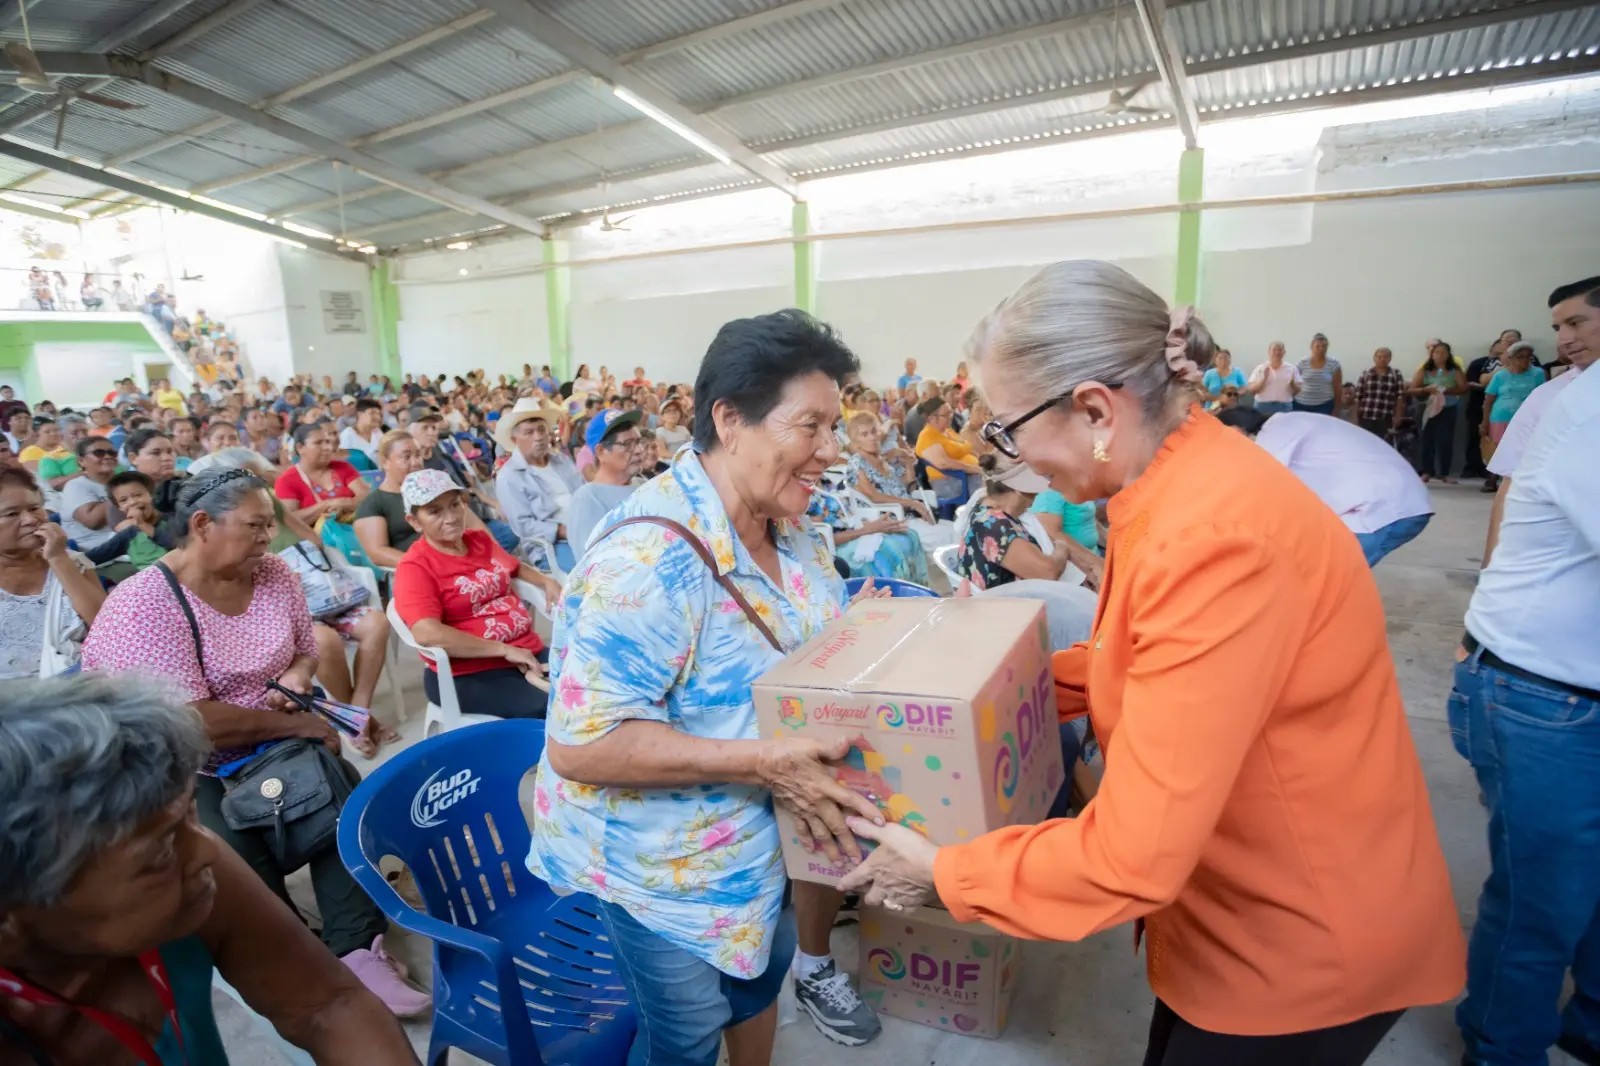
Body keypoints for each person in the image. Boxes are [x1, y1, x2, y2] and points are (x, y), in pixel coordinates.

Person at [839, 260, 1464, 1066]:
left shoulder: (1213, 536)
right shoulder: (1176, 482)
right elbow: (1138, 661)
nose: (1005, 458)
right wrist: (976, 686)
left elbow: (1130, 856)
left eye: (1005, 430)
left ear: (1096, 409)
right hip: (1231, 909)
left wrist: (945, 872)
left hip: (1298, 936)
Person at [527, 309, 891, 1065]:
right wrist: (763, 762)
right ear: (731, 419)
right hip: (667, 875)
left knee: (756, 988)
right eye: (811, 427)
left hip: (770, 842)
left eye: (836, 426)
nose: (830, 450)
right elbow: (581, 745)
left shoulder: (791, 529)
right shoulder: (651, 561)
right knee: (685, 1035)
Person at [79, 469, 428, 1016]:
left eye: (270, 525)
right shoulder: (144, 604)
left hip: (271, 740)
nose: (270, 539)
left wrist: (298, 675)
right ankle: (292, 948)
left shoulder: (273, 575)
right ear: (202, 525)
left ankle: (357, 949)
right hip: (185, 767)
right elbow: (185, 723)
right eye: (256, 526)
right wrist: (298, 725)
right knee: (232, 858)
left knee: (343, 798)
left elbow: (305, 648)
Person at [0, 675, 423, 1064]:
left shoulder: (190, 878)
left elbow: (328, 1005)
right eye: (159, 852)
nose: (206, 850)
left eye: (190, 816)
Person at [1449, 330, 1600, 1066]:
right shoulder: (1589, 408)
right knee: (1544, 901)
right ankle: (1500, 1047)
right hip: (1545, 696)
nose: (1566, 336)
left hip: (1565, 687)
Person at [391, 469, 558, 719]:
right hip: (469, 672)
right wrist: (502, 649)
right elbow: (426, 632)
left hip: (526, 650)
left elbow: (514, 567)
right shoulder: (415, 567)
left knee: (594, 682)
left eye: (454, 505)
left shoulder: (478, 540)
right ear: (415, 521)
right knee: (556, 708)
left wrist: (546, 581)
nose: (451, 518)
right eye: (435, 511)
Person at [1218, 408, 1434, 566]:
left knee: (1330, 578)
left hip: (1385, 508)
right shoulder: (1288, 424)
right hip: (1391, 501)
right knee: (1322, 574)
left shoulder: (1275, 434)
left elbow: (1258, 488)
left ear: (1235, 430)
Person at [1483, 278, 1598, 566]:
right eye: (1558, 328)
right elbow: (1510, 488)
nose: (1564, 339)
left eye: (1576, 323)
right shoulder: (1548, 398)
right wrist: (1491, 571)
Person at [0, 468, 104, 678]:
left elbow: (106, 626)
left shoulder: (73, 562)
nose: (30, 520)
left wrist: (58, 560)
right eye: (12, 514)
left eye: (35, 508)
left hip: (77, 691)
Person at [957, 453, 1071, 588]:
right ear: (1018, 490)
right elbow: (1048, 573)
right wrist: (1062, 549)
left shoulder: (984, 505)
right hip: (1003, 606)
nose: (1035, 497)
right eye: (1033, 493)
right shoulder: (994, 526)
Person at [495, 399, 582, 571]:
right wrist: (563, 530)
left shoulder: (561, 460)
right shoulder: (509, 476)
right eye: (529, 432)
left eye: (542, 430)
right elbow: (524, 526)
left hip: (584, 527)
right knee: (586, 577)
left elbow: (583, 491)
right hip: (553, 544)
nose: (539, 437)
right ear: (515, 439)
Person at [564, 408, 645, 553]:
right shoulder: (588, 499)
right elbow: (590, 564)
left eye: (638, 442)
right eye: (627, 444)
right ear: (601, 452)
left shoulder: (642, 483)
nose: (638, 450)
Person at [354, 430, 428, 568]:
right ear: (384, 462)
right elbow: (377, 552)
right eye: (406, 457)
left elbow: (471, 525)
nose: (416, 462)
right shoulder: (374, 504)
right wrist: (426, 566)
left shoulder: (434, 492)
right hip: (417, 571)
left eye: (418, 455)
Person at [81, 470, 179, 571]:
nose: (132, 502)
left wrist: (142, 524)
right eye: (123, 500)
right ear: (119, 507)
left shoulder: (173, 518)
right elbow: (93, 557)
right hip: (149, 582)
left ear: (152, 495)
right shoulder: (129, 534)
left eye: (138, 495)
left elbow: (177, 544)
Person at [1479, 340, 1543, 493]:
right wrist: (1484, 423)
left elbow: (1542, 396)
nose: (1525, 360)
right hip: (1501, 416)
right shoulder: (1500, 376)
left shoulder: (1538, 374)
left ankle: (1518, 482)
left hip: (1527, 419)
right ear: (1512, 358)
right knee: (1497, 448)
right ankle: (1492, 479)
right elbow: (1488, 401)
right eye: (1521, 357)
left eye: (1529, 357)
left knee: (1524, 449)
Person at [274, 422, 367, 525]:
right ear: (300, 447)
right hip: (312, 539)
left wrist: (342, 503)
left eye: (327, 442)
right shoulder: (287, 480)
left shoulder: (343, 467)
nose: (327, 447)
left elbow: (366, 498)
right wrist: (326, 505)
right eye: (318, 443)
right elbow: (290, 520)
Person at [1409, 341, 1468, 483]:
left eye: (1443, 352)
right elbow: (1412, 389)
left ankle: (1444, 473)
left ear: (1449, 355)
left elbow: (1464, 388)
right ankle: (1427, 471)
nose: (1440, 355)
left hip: (1448, 407)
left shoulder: (1455, 370)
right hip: (1428, 408)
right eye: (1437, 352)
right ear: (1432, 355)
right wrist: (1426, 389)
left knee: (1445, 440)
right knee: (1426, 440)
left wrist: (1447, 390)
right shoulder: (1425, 370)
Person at [59, 435, 122, 551]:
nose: (107, 456)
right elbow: (93, 522)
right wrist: (122, 491)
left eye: (112, 453)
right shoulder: (75, 486)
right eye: (99, 453)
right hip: (99, 554)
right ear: (81, 461)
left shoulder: (126, 480)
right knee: (156, 567)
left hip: (133, 545)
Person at [914, 396, 981, 502]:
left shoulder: (947, 430)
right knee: (988, 482)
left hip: (966, 475)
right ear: (931, 418)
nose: (951, 416)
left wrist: (979, 460)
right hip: (949, 481)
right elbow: (944, 463)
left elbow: (964, 448)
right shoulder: (927, 436)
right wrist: (973, 468)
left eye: (950, 412)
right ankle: (981, 513)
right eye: (946, 415)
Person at [1353, 346, 1406, 439]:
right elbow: (1358, 397)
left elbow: (1400, 397)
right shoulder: (1366, 373)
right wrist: (1355, 417)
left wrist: (1398, 416)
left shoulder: (1396, 374)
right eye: (1379, 356)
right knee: (1364, 443)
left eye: (1385, 357)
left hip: (1385, 417)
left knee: (1382, 445)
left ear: (1390, 358)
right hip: (1366, 417)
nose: (1382, 359)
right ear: (1374, 358)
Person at [1246, 341, 1301, 414]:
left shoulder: (1291, 369)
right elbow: (1251, 390)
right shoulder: (1260, 368)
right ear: (1269, 352)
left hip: (1284, 406)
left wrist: (1292, 383)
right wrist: (1263, 380)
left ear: (1284, 352)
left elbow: (1298, 391)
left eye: (1280, 350)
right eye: (1274, 350)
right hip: (1263, 405)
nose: (1277, 352)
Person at [1294, 333, 1343, 415]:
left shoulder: (1334, 364)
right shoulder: (1301, 363)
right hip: (1300, 405)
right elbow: (1293, 384)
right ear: (1311, 346)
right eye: (1318, 346)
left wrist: (1336, 409)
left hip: (1324, 406)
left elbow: (1338, 388)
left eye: (1324, 346)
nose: (1321, 349)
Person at [338, 397, 385, 462]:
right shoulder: (347, 435)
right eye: (372, 413)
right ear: (359, 414)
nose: (377, 417)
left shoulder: (378, 433)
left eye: (378, 414)